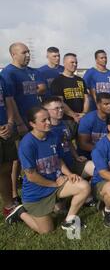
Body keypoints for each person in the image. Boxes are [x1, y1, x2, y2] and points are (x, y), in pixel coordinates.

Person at [5, 107, 90, 234]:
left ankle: (69, 221)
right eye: (43, 120)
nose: (49, 122)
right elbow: (31, 176)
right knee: (46, 230)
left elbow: (59, 159)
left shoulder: (53, 135)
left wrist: (69, 174)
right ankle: (21, 212)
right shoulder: (27, 144)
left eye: (48, 119)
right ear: (32, 124)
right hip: (36, 193)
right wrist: (54, 184)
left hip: (56, 183)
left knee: (84, 186)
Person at [2, 42, 46, 207]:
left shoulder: (29, 72)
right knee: (17, 160)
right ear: (13, 54)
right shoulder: (9, 73)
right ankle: (14, 194)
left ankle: (37, 185)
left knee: (34, 154)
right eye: (24, 52)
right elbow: (10, 100)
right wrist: (19, 122)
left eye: (28, 52)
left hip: (34, 120)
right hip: (21, 122)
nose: (28, 55)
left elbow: (40, 88)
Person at [42, 97, 94, 178]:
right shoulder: (46, 130)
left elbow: (68, 142)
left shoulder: (64, 124)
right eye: (56, 108)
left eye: (62, 107)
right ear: (46, 110)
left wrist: (76, 156)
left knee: (96, 168)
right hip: (58, 169)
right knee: (82, 185)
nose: (60, 110)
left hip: (71, 162)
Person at [50, 53, 90, 126]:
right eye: (72, 62)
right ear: (64, 63)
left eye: (76, 62)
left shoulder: (80, 80)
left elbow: (86, 98)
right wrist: (73, 115)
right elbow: (59, 101)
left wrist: (84, 114)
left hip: (82, 118)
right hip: (66, 120)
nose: (75, 64)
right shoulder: (58, 81)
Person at [0, 75, 18, 218]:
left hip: (5, 129)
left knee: (6, 169)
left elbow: (8, 102)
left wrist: (10, 123)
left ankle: (9, 205)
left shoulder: (1, 78)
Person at [77, 93, 110, 159]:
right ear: (98, 105)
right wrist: (104, 151)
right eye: (106, 104)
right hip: (88, 155)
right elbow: (83, 144)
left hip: (108, 154)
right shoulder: (87, 119)